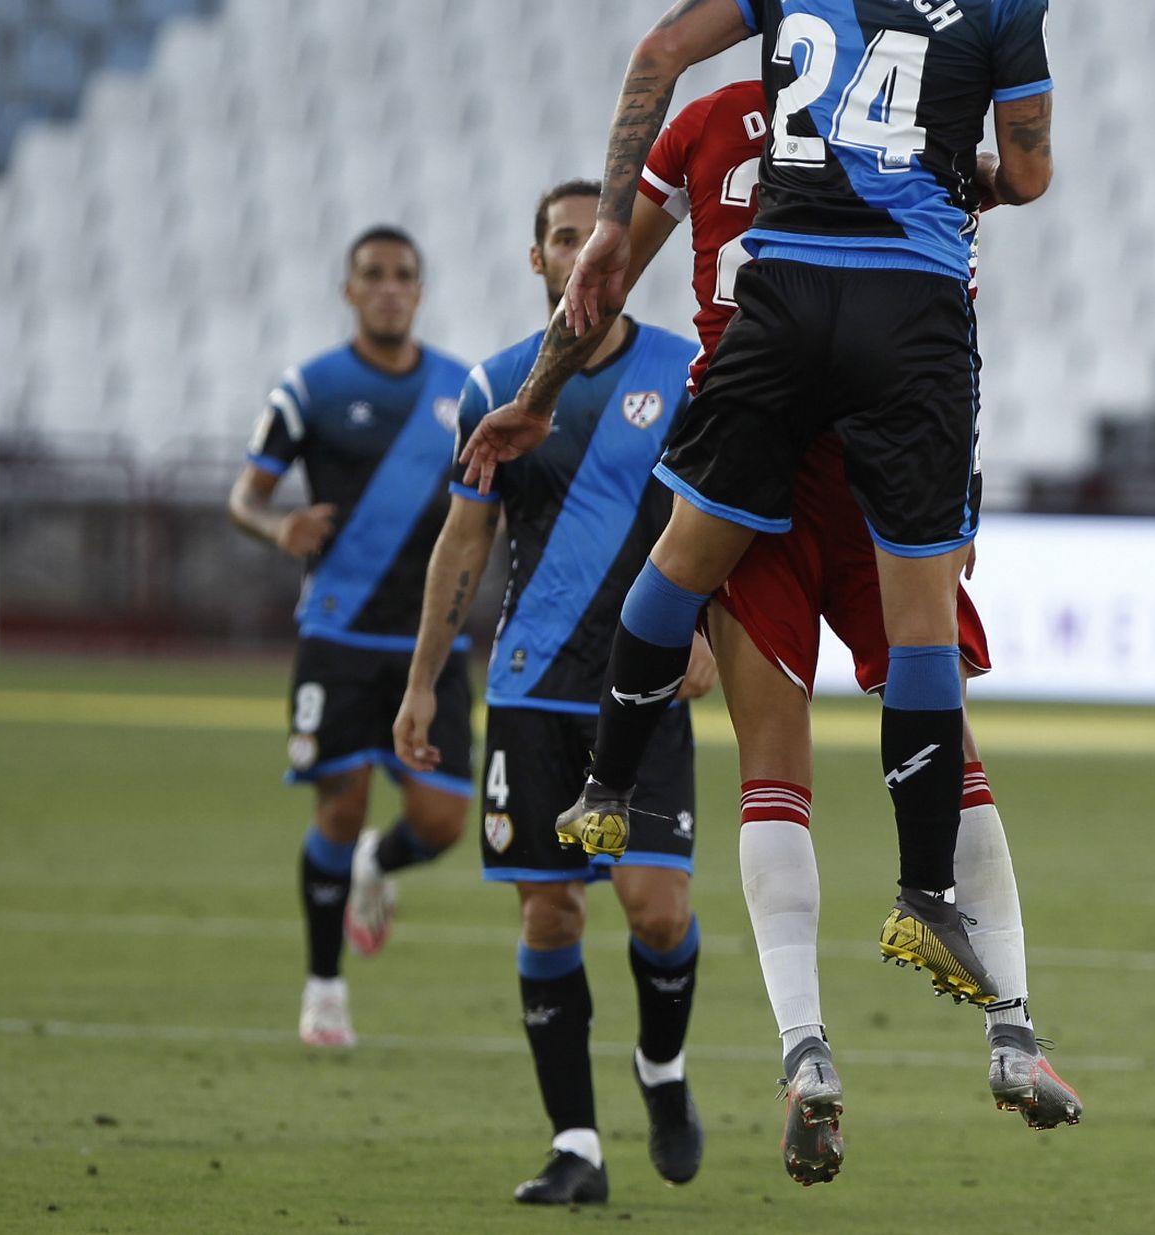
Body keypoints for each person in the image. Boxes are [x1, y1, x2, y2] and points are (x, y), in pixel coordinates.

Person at [467, 81, 1080, 1187]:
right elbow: (956, 318)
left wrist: (542, 393)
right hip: (885, 450)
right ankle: (1012, 1033)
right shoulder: (914, 118)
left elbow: (603, 276)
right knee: (950, 745)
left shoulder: (710, 117)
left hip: (745, 441)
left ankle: (806, 1055)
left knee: (770, 770)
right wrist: (960, 496)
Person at [542, 0, 1054, 1026]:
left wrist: (611, 225)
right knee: (920, 620)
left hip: (777, 295)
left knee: (683, 555)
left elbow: (658, 52)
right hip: (909, 315)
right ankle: (924, 893)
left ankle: (607, 783)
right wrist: (961, 174)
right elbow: (1031, 173)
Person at [393, 180, 714, 1208]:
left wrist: (711, 622)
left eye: (598, 240)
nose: (581, 254)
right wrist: (422, 679)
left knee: (656, 909)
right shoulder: (494, 387)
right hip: (530, 686)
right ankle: (575, 1141)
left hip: (643, 680)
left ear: (622, 258)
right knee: (550, 915)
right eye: (562, 239)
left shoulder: (684, 372)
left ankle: (660, 1071)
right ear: (537, 259)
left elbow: (734, 510)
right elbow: (464, 537)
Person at [228, 226, 472, 1050]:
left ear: (420, 289)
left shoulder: (461, 391)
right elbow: (244, 497)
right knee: (342, 803)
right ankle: (324, 987)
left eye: (404, 274)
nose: (389, 287)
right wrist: (277, 527)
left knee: (441, 821)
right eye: (373, 275)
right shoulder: (312, 388)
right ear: (349, 289)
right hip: (337, 633)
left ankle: (380, 862)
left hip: (430, 644)